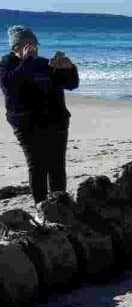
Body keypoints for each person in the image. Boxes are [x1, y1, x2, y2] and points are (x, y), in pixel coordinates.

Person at [1, 25, 78, 204]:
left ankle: (60, 207)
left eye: (34, 44)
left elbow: (71, 84)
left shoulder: (44, 64)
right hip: (26, 123)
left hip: (56, 120)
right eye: (27, 45)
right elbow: (10, 85)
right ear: (16, 48)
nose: (33, 49)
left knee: (57, 166)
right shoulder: (7, 64)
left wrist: (69, 68)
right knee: (38, 166)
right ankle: (41, 207)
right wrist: (26, 61)